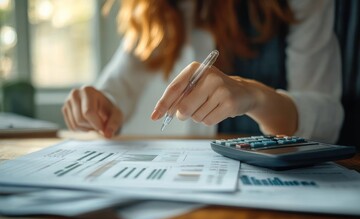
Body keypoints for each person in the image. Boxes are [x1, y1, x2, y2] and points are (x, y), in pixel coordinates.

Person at [62, 0, 342, 143]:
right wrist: (103, 104)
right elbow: (119, 84)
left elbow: (329, 117)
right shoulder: (157, 7)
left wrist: (255, 96)